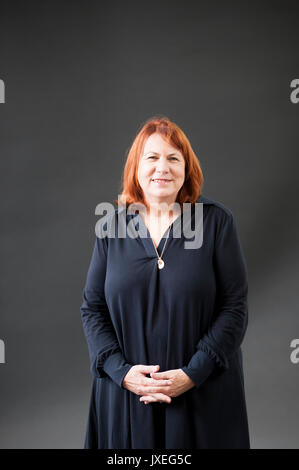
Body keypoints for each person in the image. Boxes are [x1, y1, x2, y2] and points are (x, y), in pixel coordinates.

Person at [80, 116, 250, 449]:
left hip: (202, 395)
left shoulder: (216, 223)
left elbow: (235, 307)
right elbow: (92, 308)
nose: (163, 167)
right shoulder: (111, 229)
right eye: (152, 158)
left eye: (174, 158)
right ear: (136, 167)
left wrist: (193, 374)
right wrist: (121, 372)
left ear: (187, 169)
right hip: (125, 396)